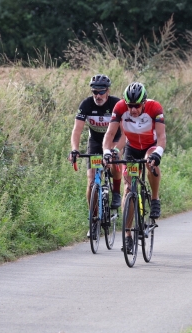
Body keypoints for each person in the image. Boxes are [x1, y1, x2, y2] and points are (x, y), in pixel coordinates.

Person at [102, 82, 166, 254]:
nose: (133, 110)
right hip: (131, 147)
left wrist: (157, 154)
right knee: (128, 188)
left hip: (150, 146)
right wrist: (107, 152)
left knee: (149, 163)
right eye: (130, 106)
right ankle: (128, 236)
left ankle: (154, 198)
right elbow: (109, 134)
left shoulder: (155, 107)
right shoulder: (120, 107)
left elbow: (161, 137)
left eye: (137, 106)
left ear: (144, 102)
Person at [69, 74, 124, 237]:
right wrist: (74, 149)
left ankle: (115, 191)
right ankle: (93, 221)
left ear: (108, 91)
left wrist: (115, 149)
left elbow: (125, 130)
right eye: (95, 92)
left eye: (101, 92)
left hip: (114, 139)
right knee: (91, 181)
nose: (98, 96)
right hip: (94, 142)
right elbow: (77, 130)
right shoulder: (86, 104)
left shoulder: (116, 104)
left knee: (113, 161)